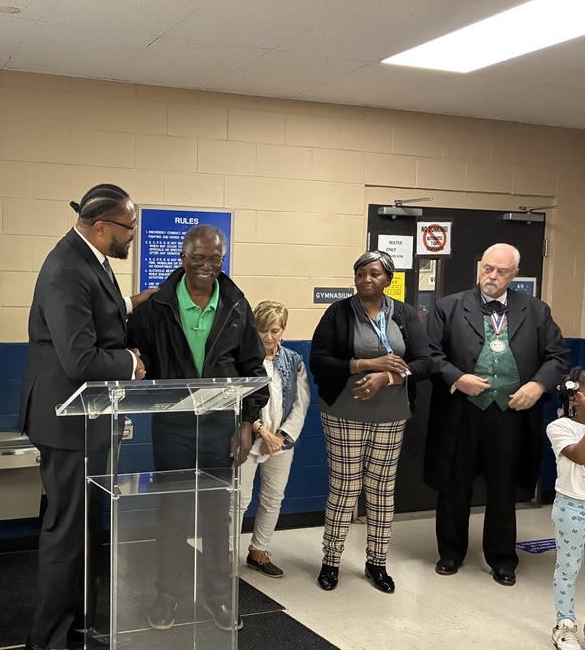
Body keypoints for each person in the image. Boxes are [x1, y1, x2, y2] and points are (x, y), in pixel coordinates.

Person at [18, 183, 153, 650]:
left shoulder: (91, 262)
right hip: (66, 420)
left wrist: (138, 302)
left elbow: (98, 319)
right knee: (66, 530)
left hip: (87, 420)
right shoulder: (66, 269)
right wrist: (131, 362)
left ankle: (74, 620)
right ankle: (46, 638)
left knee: (83, 529)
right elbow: (79, 357)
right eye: (128, 228)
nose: (132, 237)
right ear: (102, 226)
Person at [126, 225, 267, 631]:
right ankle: (166, 596)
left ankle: (218, 597)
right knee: (172, 513)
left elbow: (254, 371)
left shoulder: (238, 306)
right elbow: (133, 352)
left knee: (215, 515)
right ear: (183, 259)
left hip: (222, 429)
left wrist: (246, 424)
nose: (208, 267)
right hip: (173, 428)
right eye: (200, 258)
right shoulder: (157, 308)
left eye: (216, 259)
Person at [425, 243, 569, 586]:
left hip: (510, 413)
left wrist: (537, 386)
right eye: (488, 268)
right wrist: (457, 378)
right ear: (480, 266)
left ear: (514, 274)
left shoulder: (536, 310)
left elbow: (558, 357)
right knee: (454, 484)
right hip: (461, 411)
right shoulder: (448, 307)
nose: (492, 276)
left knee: (503, 487)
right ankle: (450, 552)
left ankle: (503, 558)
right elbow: (428, 354)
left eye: (501, 271)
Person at [310, 251, 432, 593]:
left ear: (388, 280)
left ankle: (377, 562)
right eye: (361, 273)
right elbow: (319, 361)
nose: (367, 279)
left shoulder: (405, 314)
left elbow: (425, 363)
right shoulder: (338, 313)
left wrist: (388, 378)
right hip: (344, 412)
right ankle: (330, 561)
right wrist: (365, 365)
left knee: (381, 490)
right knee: (345, 487)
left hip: (391, 415)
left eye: (375, 274)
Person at [231, 300, 311, 578]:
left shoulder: (293, 361)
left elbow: (301, 403)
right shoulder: (242, 359)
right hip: (247, 440)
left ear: (283, 331)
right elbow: (236, 402)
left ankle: (258, 551)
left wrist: (280, 436)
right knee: (239, 500)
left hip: (280, 443)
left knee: (273, 498)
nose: (268, 337)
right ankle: (228, 552)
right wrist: (260, 431)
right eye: (263, 330)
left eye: (274, 330)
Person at [547, 367, 585, 650]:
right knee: (568, 567)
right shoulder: (560, 427)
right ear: (576, 395)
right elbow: (580, 456)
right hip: (572, 506)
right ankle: (565, 624)